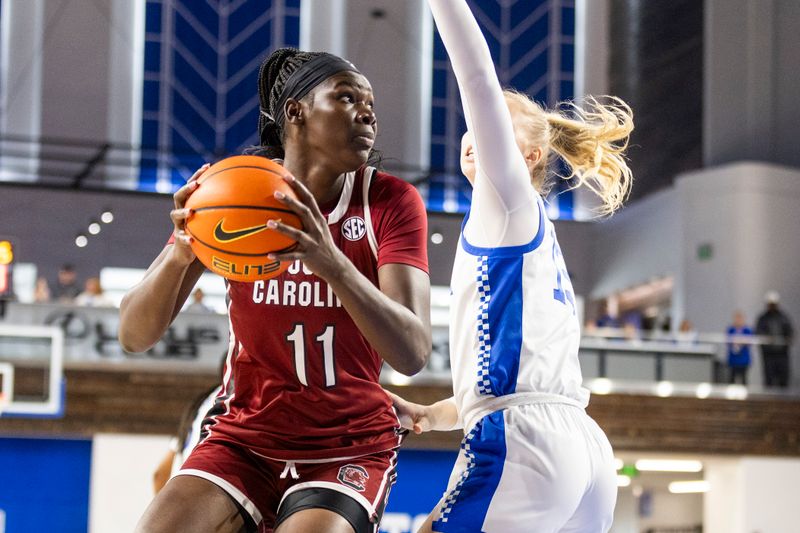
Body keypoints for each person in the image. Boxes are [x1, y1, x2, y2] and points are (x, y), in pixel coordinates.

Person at [119, 47, 431, 533]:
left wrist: (334, 266)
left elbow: (413, 351)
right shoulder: (234, 191)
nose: (367, 112)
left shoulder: (388, 201)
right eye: (347, 97)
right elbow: (133, 335)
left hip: (346, 445)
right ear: (296, 112)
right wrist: (182, 251)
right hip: (243, 437)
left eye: (371, 103)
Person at [389, 1, 633, 532]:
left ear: (528, 158)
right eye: (475, 122)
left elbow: (475, 71)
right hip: (581, 447)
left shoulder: (508, 200)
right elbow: (516, 377)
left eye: (495, 122)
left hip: (529, 442)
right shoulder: (531, 230)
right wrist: (437, 415)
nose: (479, 127)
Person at [755, 291, 793, 388]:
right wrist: (767, 339)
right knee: (769, 379)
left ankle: (784, 402)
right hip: (768, 354)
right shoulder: (763, 318)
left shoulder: (783, 317)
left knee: (783, 379)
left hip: (782, 353)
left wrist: (788, 339)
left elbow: (790, 331)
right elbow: (758, 332)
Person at [726, 310, 753, 384]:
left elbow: (750, 342)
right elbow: (727, 342)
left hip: (743, 360)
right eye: (737, 318)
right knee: (731, 379)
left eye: (740, 318)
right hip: (733, 359)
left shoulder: (747, 330)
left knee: (743, 379)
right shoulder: (730, 330)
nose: (738, 320)